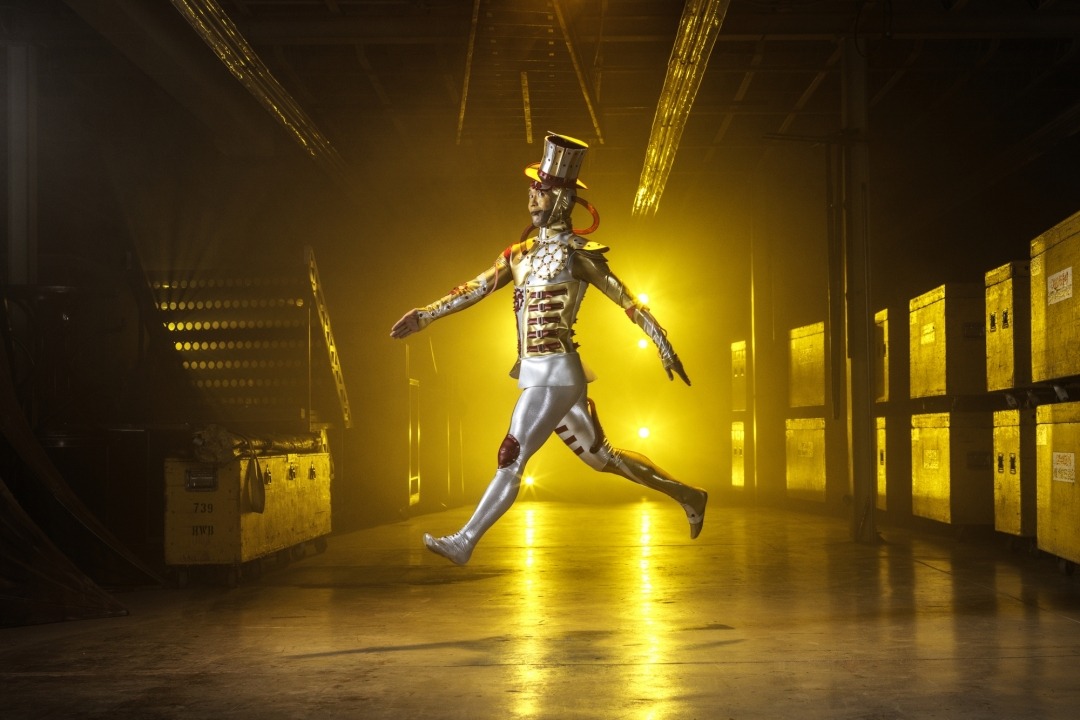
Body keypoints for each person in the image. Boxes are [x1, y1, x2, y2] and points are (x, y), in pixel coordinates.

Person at [390, 132, 707, 565]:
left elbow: (629, 300)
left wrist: (663, 342)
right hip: (542, 373)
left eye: (540, 192)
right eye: (531, 192)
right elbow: (474, 288)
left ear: (562, 200)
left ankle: (465, 542)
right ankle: (688, 494)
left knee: (511, 454)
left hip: (556, 373)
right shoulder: (517, 254)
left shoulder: (581, 255)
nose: (531, 200)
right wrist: (426, 314)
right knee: (604, 458)